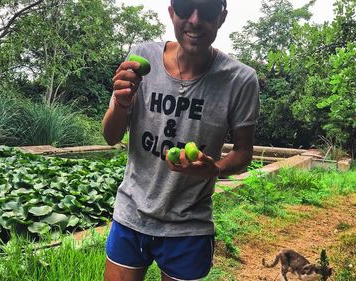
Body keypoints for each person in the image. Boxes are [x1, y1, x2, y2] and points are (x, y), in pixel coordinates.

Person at [102, 0, 260, 280]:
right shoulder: (141, 57)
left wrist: (216, 170)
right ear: (172, 12)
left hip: (189, 225)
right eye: (186, 6)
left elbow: (243, 152)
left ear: (222, 17)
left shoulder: (241, 80)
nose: (195, 20)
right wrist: (121, 104)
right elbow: (111, 136)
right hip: (131, 214)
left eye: (208, 10)